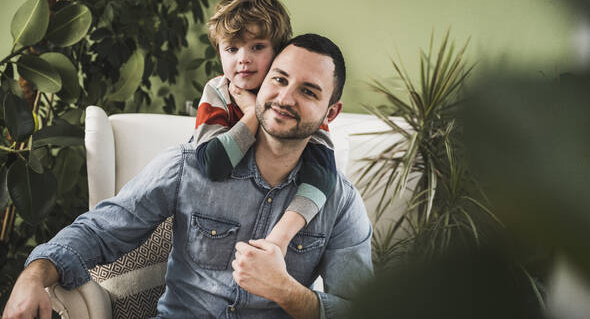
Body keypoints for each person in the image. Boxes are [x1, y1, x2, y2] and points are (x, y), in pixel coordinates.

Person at [2, 34, 373, 319]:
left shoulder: (339, 202)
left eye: (308, 91)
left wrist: (285, 290)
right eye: (279, 79)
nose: (285, 98)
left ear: (331, 111)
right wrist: (34, 275)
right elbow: (100, 230)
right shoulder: (189, 165)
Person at [194, 0, 337, 257]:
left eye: (257, 47)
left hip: (280, 222)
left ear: (279, 52)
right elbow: (211, 164)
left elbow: (323, 175)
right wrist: (253, 113)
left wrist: (280, 238)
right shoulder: (218, 93)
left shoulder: (298, 107)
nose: (243, 58)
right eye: (231, 49)